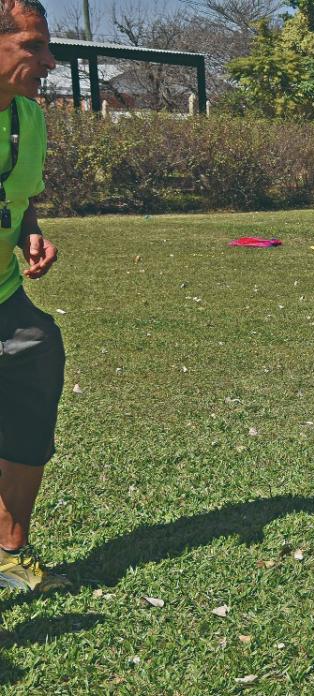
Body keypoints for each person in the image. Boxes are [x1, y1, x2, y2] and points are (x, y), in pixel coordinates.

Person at [0, 0, 69, 592]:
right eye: (33, 46)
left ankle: (8, 551)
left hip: (4, 297)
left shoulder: (28, 117)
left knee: (37, 353)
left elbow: (21, 195)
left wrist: (30, 230)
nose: (49, 61)